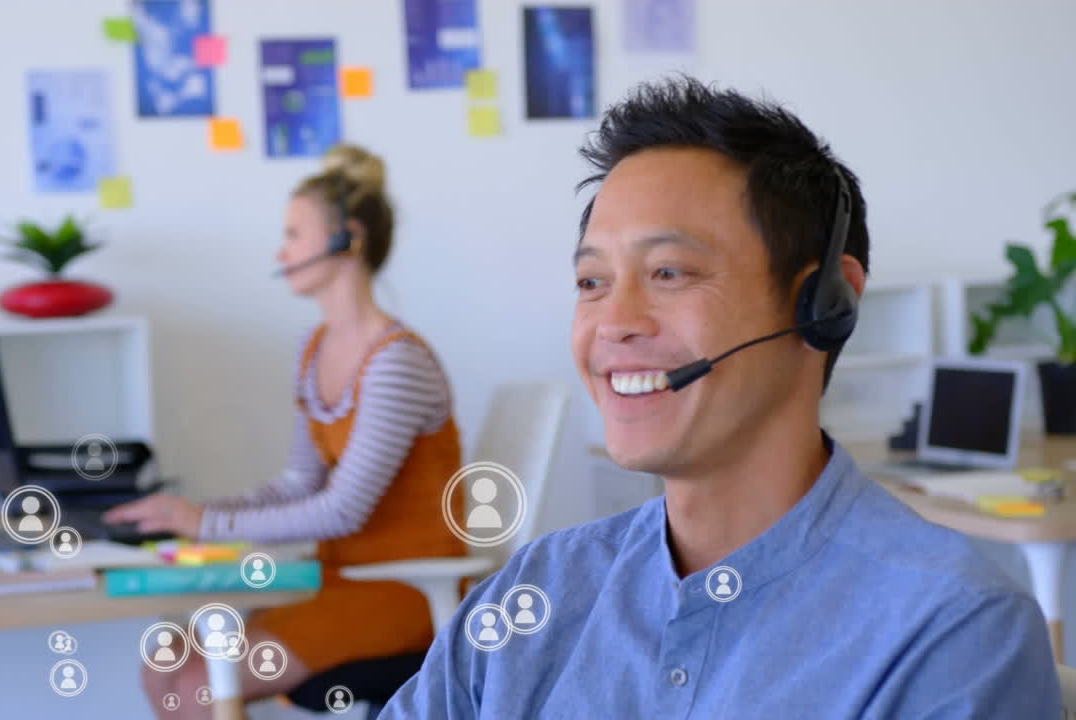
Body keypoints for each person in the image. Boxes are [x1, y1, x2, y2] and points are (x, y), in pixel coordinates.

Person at [379, 76, 1060, 718]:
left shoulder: (953, 630)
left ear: (825, 304)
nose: (613, 322)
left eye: (667, 272)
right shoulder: (541, 588)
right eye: (592, 282)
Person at [103, 144, 466, 720]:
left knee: (194, 682)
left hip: (404, 590)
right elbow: (299, 482)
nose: (282, 250)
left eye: (294, 233)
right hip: (337, 582)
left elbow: (342, 510)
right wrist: (188, 513)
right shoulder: (313, 349)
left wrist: (205, 524)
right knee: (166, 661)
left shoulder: (396, 362)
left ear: (345, 238)